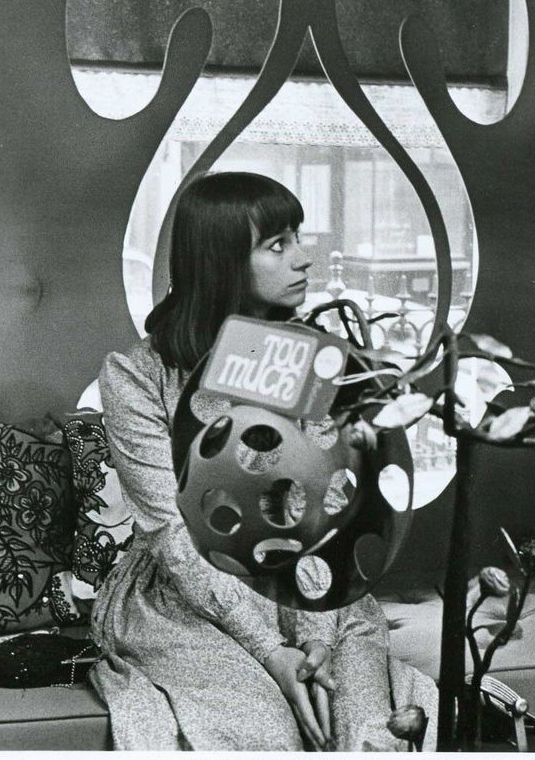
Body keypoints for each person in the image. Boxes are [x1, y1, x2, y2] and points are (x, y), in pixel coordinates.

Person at [90, 171, 438, 751]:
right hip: (186, 603)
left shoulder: (311, 361)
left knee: (363, 734)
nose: (304, 257)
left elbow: (331, 510)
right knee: (263, 734)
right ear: (222, 262)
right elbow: (173, 537)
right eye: (278, 245)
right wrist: (271, 652)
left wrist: (315, 636)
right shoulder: (137, 377)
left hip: (318, 588)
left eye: (297, 237)